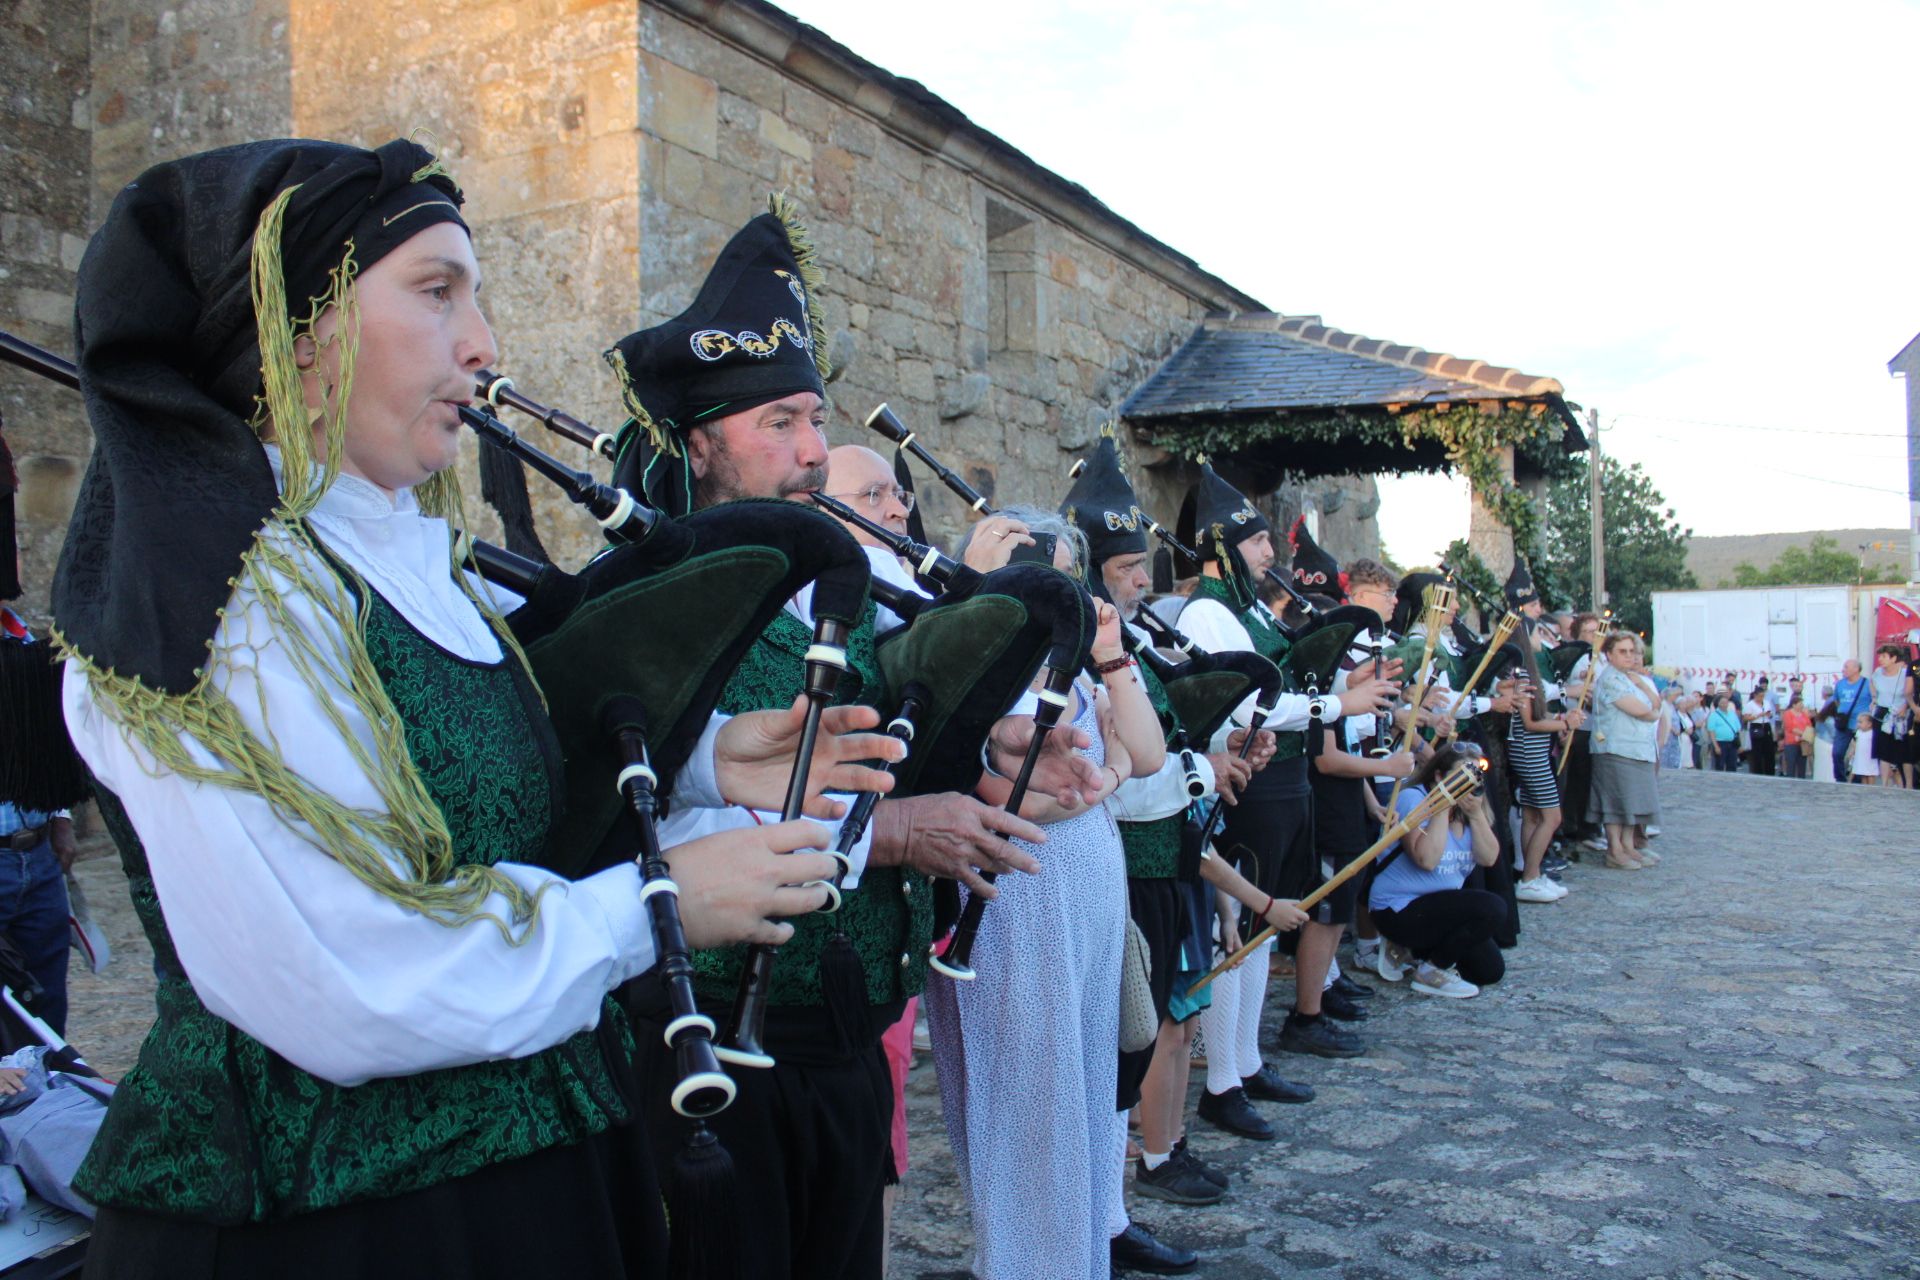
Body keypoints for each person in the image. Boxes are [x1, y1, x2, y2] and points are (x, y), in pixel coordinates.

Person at [54, 138, 908, 1278]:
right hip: (330, 1225)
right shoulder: (224, 603)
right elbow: (345, 976)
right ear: (302, 328)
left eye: (479, 296)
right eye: (436, 290)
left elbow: (477, 805)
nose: (484, 343)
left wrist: (707, 761)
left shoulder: (409, 559)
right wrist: (653, 904)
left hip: (527, 1175)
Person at [603, 198, 1100, 1280]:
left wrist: (989, 754)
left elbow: (883, 753)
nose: (815, 451)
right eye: (781, 422)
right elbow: (650, 819)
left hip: (845, 1025)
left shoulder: (838, 595)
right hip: (712, 1042)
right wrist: (894, 833)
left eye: (815, 421)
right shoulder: (652, 601)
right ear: (702, 441)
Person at [925, 508, 1168, 1280]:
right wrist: (1099, 787)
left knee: (1092, 1082)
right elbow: (1002, 797)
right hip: (1018, 899)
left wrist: (1111, 655)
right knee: (1029, 1096)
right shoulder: (980, 662)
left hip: (1091, 892)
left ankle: (1082, 1248)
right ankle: (1029, 1261)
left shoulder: (1081, 666)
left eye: (1066, 571)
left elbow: (1148, 753)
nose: (1055, 587)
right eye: (1039, 569)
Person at [1174, 466, 1397, 1071]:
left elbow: (1286, 677)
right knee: (1240, 931)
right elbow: (1248, 701)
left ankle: (1245, 1064)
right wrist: (1338, 704)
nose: (1270, 551)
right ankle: (1227, 1075)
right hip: (1250, 782)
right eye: (1257, 541)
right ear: (1223, 548)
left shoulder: (1249, 610)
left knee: (1264, 928)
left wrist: (1341, 681)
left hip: (1283, 778)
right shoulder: (1206, 614)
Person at [1368, 744, 1505, 999]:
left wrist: (1475, 815)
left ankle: (1417, 953)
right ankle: (1431, 970)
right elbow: (1427, 860)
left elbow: (1489, 858)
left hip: (1442, 908)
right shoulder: (1414, 799)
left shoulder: (1471, 806)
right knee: (1492, 907)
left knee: (1489, 971)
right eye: (1461, 776)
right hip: (1399, 907)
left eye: (1474, 777)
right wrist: (1442, 805)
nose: (1468, 784)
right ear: (1440, 777)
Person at [1587, 633, 1662, 870]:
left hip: (1637, 749)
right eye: (1622, 651)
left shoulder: (1631, 679)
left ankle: (1628, 845)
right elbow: (1641, 710)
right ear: (1609, 654)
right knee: (1616, 802)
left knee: (1633, 802)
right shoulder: (1610, 679)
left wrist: (1646, 693)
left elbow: (1655, 704)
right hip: (1615, 748)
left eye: (1631, 651)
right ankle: (1615, 849)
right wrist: (1652, 711)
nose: (1629, 656)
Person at [1870, 643, 1916, 789]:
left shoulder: (1904, 674)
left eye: (1884, 656)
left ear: (1893, 658)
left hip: (1901, 713)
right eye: (1880, 656)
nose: (1881, 660)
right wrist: (1874, 699)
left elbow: (1912, 692)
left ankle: (1908, 784)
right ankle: (1884, 783)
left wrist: (1905, 706)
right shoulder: (1878, 673)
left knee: (1904, 751)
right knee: (1883, 750)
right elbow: (1872, 683)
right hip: (1883, 713)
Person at [1822, 660, 1875, 783]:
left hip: (1861, 725)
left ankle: (1857, 779)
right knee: (1837, 752)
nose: (1843, 669)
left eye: (1846, 667)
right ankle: (1840, 778)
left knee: (1861, 754)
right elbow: (1837, 700)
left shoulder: (1866, 683)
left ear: (1856, 669)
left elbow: (1873, 700)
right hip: (1844, 724)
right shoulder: (1840, 684)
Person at [1743, 678, 1779, 777]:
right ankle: (1757, 770)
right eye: (1760, 696)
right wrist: (1759, 715)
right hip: (1756, 725)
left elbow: (1770, 713)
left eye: (1763, 696)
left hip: (1766, 725)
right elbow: (1746, 718)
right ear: (1755, 695)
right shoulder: (1750, 705)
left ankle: (1769, 771)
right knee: (1757, 751)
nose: (1761, 698)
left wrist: (1769, 715)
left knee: (1769, 750)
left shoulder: (1766, 703)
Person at [1779, 693, 1814, 780]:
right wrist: (1802, 734)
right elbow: (1789, 727)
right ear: (1794, 705)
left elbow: (1809, 725)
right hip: (1791, 742)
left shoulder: (1804, 714)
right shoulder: (1788, 714)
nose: (1802, 706)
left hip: (1803, 742)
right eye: (1800, 704)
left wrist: (1805, 736)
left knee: (1802, 764)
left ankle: (1801, 780)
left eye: (1802, 704)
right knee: (1791, 763)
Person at [1707, 695, 1743, 773]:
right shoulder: (1714, 715)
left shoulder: (1732, 714)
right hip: (1720, 742)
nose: (1724, 704)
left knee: (1732, 765)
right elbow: (1711, 731)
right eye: (1722, 702)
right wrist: (1716, 746)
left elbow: (1738, 730)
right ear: (1718, 704)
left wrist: (1740, 744)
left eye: (1726, 702)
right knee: (1719, 765)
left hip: (1732, 742)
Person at [1848, 711, 1880, 783]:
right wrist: (1852, 752)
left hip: (1869, 757)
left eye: (1861, 722)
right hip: (1861, 756)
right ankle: (1864, 787)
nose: (1858, 724)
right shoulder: (1858, 732)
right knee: (1863, 773)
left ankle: (1871, 787)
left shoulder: (1872, 733)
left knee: (1871, 773)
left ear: (1869, 724)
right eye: (1858, 722)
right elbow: (1856, 743)